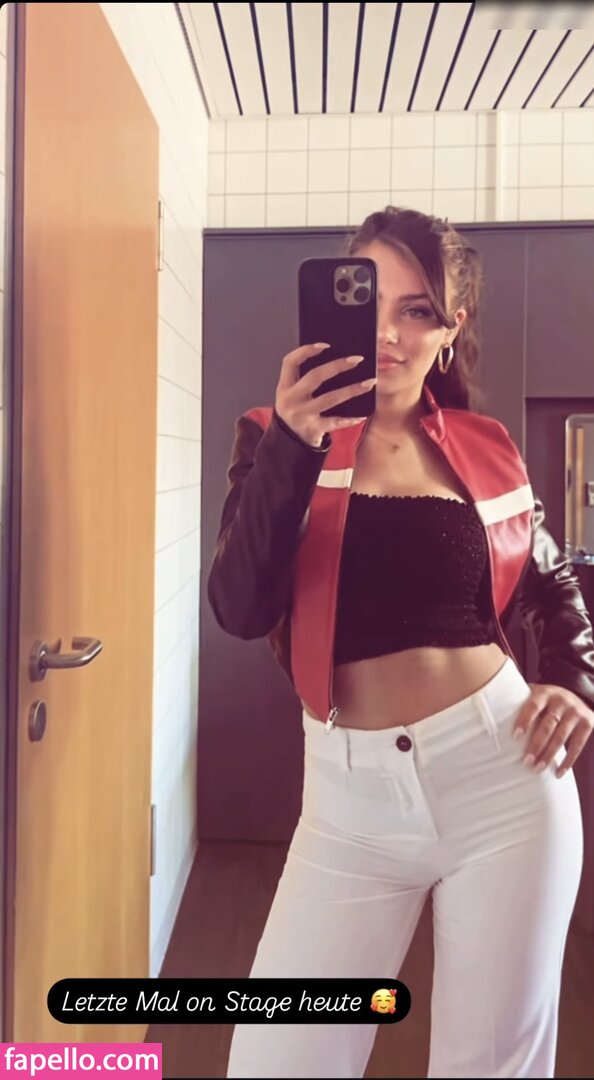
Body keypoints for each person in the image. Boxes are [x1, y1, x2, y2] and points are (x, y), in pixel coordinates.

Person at [207, 207, 594, 1079]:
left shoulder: (486, 450)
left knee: (489, 1067)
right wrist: (296, 445)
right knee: (276, 1062)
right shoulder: (275, 434)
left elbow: (550, 578)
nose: (387, 333)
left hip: (507, 781)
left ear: (450, 331)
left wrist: (576, 681)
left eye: (417, 310)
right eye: (368, 301)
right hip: (349, 804)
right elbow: (238, 605)